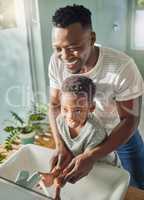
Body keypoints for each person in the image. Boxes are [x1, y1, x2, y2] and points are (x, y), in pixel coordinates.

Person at [48, 4, 144, 189]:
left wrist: (93, 155)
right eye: (58, 48)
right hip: (83, 134)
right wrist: (61, 145)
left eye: (73, 47)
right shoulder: (56, 61)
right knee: (98, 185)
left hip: (120, 136)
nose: (65, 56)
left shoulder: (122, 67)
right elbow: (54, 104)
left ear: (92, 38)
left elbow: (130, 119)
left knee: (136, 184)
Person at [42, 75, 121, 199]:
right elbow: (67, 157)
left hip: (108, 172)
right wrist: (53, 174)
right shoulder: (61, 121)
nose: (70, 117)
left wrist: (58, 179)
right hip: (87, 171)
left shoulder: (95, 131)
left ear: (91, 107)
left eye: (78, 110)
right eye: (65, 109)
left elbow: (80, 165)